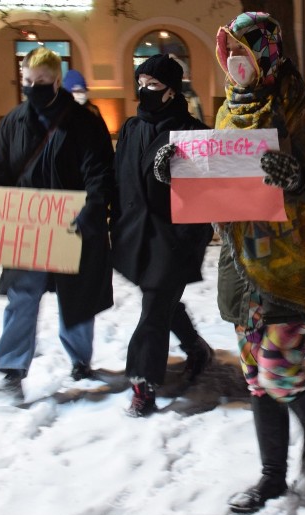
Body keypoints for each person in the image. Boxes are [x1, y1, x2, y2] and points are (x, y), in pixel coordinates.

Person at [210, 12, 305, 513]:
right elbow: (215, 186)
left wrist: (298, 180)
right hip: (242, 265)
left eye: (245, 54)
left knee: (278, 372)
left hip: (295, 266)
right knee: (257, 379)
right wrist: (178, 171)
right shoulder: (228, 112)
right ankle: (271, 477)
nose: (236, 65)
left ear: (268, 56)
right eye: (229, 55)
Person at [0, 47, 115, 401]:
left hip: (73, 226)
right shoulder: (13, 122)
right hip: (24, 226)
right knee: (22, 297)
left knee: (76, 299)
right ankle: (11, 372)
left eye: (42, 81)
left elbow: (99, 174)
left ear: (57, 80)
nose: (34, 87)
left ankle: (80, 362)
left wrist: (92, 211)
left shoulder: (84, 121)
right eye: (28, 82)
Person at [110, 54, 216, 417]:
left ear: (173, 90)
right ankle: (196, 348)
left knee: (153, 311)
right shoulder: (131, 128)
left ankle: (143, 383)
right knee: (161, 304)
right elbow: (118, 179)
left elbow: (206, 194)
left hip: (174, 239)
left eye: (153, 85)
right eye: (141, 83)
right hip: (136, 236)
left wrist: (177, 176)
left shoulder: (194, 132)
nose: (145, 91)